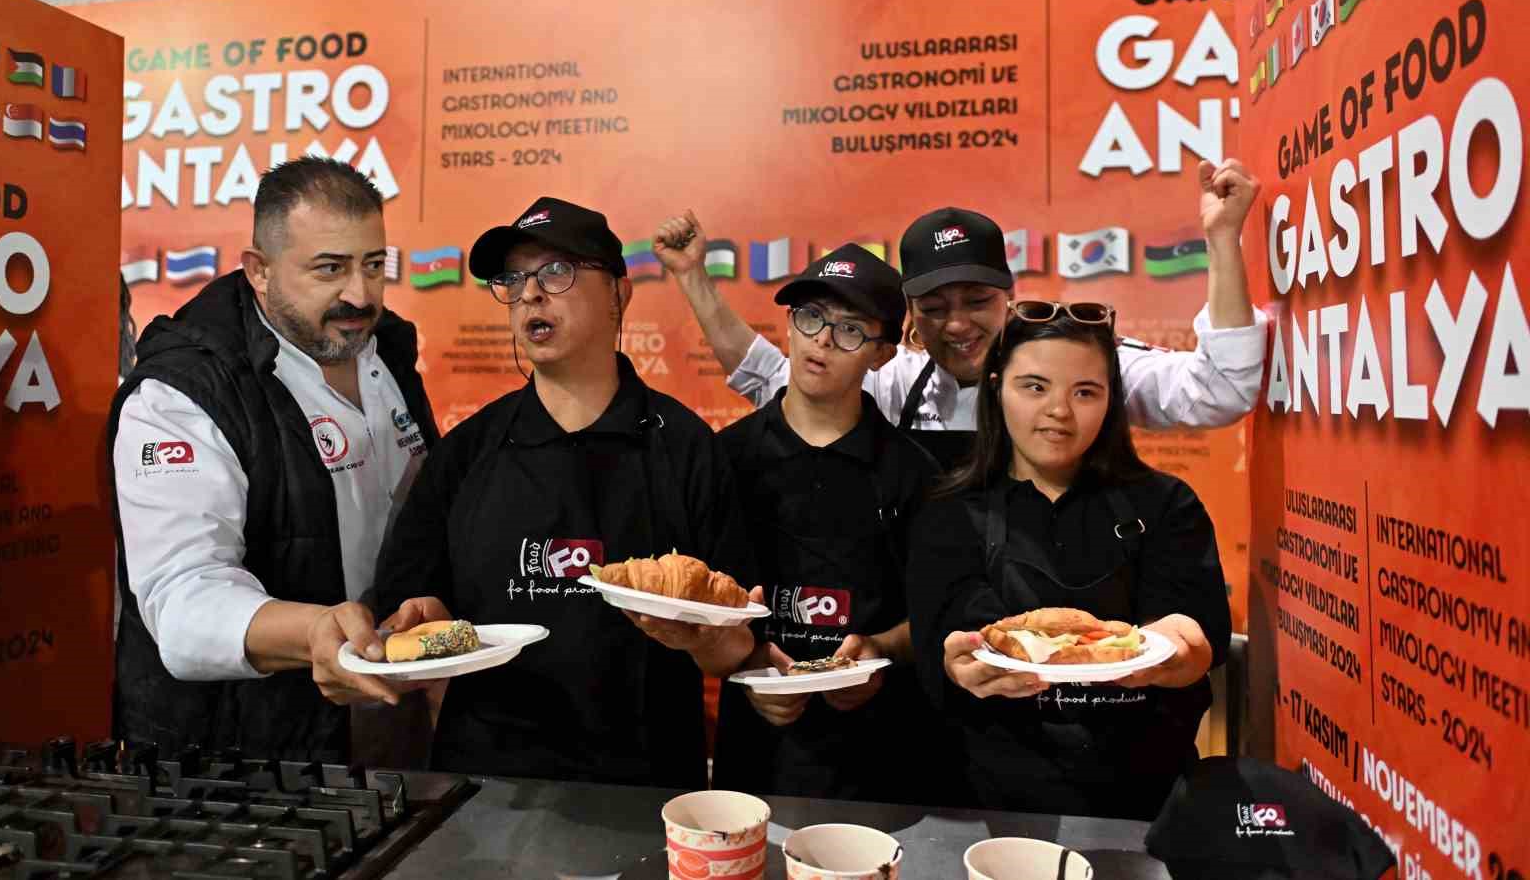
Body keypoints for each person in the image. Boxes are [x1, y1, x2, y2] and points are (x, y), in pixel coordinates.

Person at [373, 197, 756, 789]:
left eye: (557, 272)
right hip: (487, 788)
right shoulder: (467, 451)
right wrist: (423, 621)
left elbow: (737, 643)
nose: (530, 294)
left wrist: (705, 640)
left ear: (619, 295)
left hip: (643, 788)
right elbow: (411, 608)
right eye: (514, 279)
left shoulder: (686, 448)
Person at [109, 156, 439, 761]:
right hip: (241, 758)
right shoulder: (184, 390)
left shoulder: (387, 348)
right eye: (330, 269)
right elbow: (183, 600)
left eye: (373, 265)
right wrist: (314, 632)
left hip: (391, 722)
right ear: (259, 270)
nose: (360, 294)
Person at [654, 160, 1266, 466]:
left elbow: (1219, 390)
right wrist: (693, 279)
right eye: (934, 307)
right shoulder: (896, 383)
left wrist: (1222, 240)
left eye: (976, 302)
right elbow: (770, 380)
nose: (957, 324)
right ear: (909, 318)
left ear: (1009, 297)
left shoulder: (1084, 368)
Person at [906, 301, 1231, 818]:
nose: (1059, 410)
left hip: (1146, 802)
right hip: (992, 804)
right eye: (1035, 387)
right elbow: (948, 647)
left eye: (1085, 392)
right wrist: (959, 663)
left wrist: (1177, 653)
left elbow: (1196, 638)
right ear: (996, 389)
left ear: (1111, 400)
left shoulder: (1167, 506)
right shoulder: (951, 514)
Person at [713, 245, 941, 803]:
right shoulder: (724, 459)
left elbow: (942, 612)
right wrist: (749, 659)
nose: (823, 340)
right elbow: (699, 605)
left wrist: (881, 648)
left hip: (881, 759)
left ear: (882, 354)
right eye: (811, 316)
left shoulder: (915, 474)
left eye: (850, 329)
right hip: (755, 755)